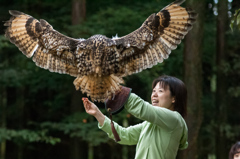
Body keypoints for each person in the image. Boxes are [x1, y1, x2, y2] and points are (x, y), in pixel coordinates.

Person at [82, 75, 188, 159]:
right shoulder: (149, 125)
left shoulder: (174, 119)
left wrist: (115, 88)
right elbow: (124, 135)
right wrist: (97, 113)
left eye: (160, 91)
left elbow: (141, 107)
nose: (154, 94)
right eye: (153, 91)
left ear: (174, 98)